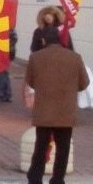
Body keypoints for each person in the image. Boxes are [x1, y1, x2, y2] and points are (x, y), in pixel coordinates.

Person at [25, 26, 89, 184]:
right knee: (63, 148)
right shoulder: (75, 57)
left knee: (41, 146)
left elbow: (30, 81)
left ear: (43, 40)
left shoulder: (36, 57)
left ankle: (35, 178)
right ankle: (58, 179)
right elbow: (84, 83)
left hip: (44, 111)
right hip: (65, 112)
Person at [0, 28, 17, 104]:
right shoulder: (10, 29)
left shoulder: (6, 28)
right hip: (7, 52)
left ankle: (0, 94)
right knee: (4, 73)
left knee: (0, 73)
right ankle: (7, 94)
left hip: (4, 52)